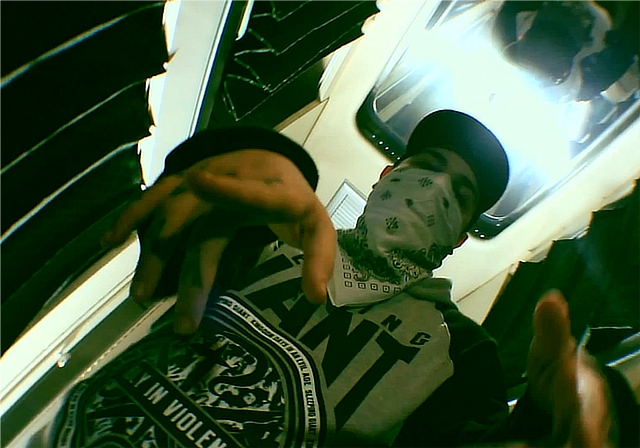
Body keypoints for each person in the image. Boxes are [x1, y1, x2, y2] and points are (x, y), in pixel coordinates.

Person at [53, 111, 635, 447]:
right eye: (427, 167)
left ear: (459, 236)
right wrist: (231, 159)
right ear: (386, 178)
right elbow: (162, 226)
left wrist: (545, 422)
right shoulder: (268, 236)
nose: (435, 189)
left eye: (460, 195)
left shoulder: (465, 356)